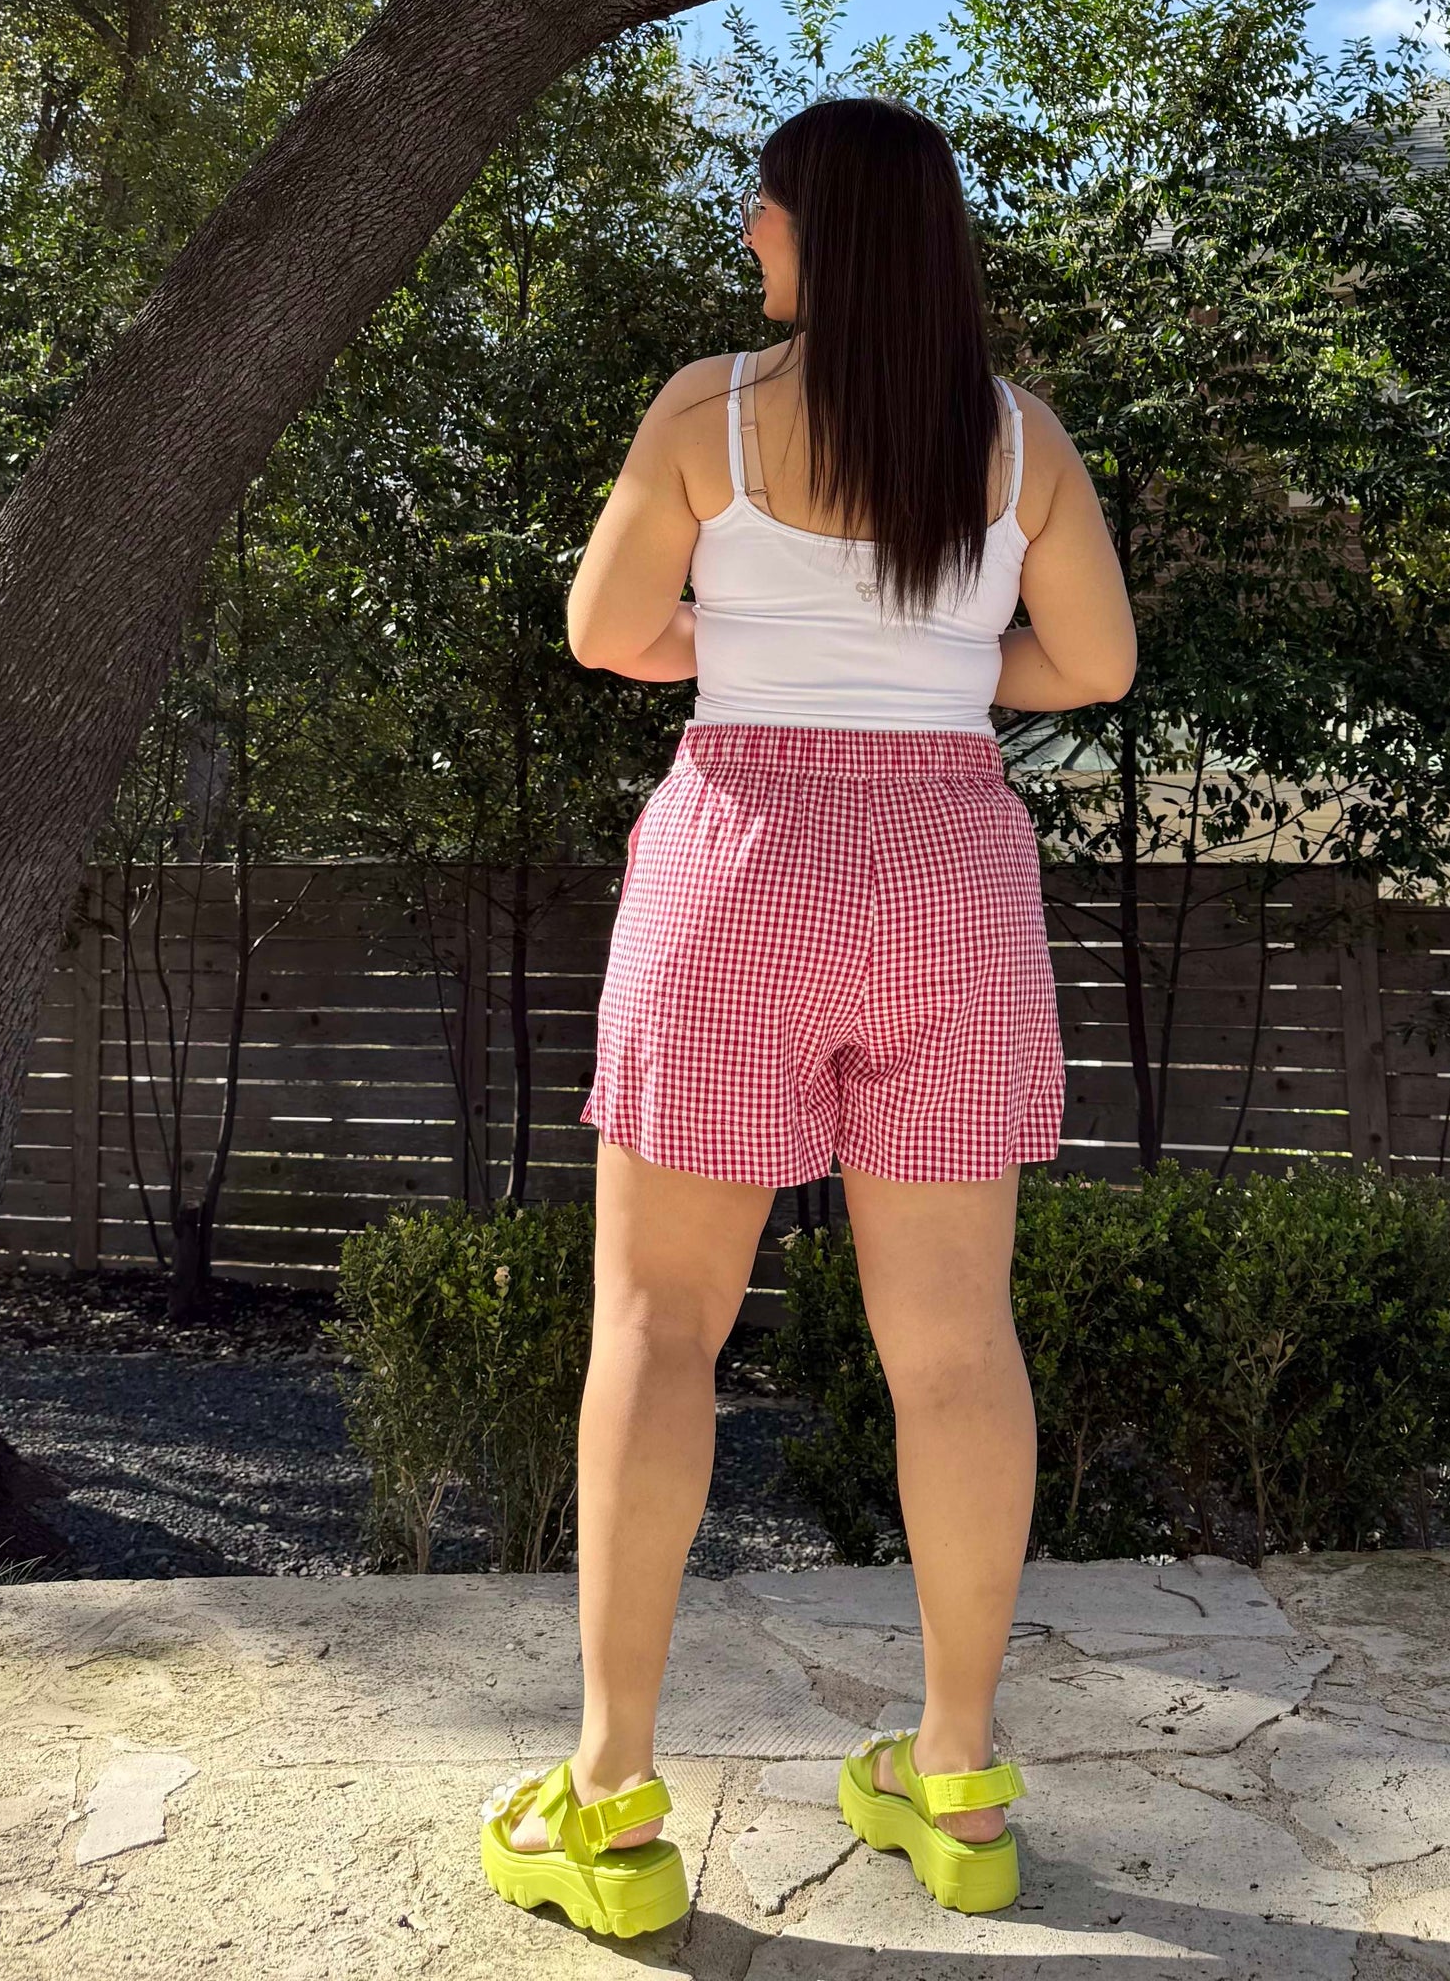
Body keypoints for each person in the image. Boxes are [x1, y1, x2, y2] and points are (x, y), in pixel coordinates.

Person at [478, 94, 1136, 1938]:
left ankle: (609, 1803)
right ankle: (959, 1776)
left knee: (658, 1326)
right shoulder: (1017, 441)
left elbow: (608, 631)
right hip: (950, 882)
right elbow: (1093, 664)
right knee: (956, 1347)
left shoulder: (710, 414)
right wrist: (937, 669)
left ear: (810, 229)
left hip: (739, 870)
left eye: (762, 212)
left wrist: (753, 647)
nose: (750, 237)